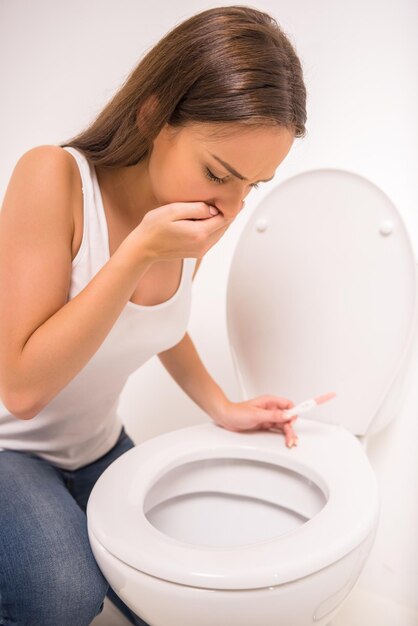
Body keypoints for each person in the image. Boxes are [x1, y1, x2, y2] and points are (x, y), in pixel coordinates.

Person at [0, 5, 307, 625]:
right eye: (219, 173)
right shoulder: (53, 177)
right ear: (152, 113)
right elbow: (22, 388)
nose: (230, 205)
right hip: (8, 446)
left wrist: (223, 406)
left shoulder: (197, 215)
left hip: (94, 445)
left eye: (254, 185)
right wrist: (138, 251)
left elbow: (160, 320)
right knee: (62, 595)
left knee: (191, 593)